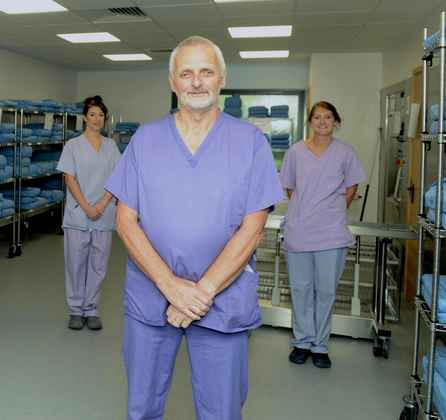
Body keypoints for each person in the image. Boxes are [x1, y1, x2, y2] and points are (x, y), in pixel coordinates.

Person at [105, 35, 283, 420]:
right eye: (186, 73)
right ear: (173, 82)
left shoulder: (250, 142)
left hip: (221, 301)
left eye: (206, 72)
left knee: (221, 411)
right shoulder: (145, 140)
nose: (196, 82)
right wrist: (170, 286)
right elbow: (125, 220)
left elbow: (253, 227)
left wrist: (201, 292)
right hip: (151, 299)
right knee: (142, 408)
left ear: (222, 79)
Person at [279, 101, 366, 369]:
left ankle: (320, 345)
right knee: (301, 290)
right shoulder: (295, 152)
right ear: (310, 121)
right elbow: (290, 188)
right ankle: (302, 342)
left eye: (328, 117)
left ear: (335, 121)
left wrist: (331, 210)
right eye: (317, 117)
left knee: (326, 291)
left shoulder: (345, 153)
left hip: (331, 234)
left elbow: (351, 187)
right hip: (300, 231)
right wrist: (305, 210)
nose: (322, 122)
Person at [57, 95, 121, 330]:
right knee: (75, 264)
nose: (96, 119)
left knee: (98, 265)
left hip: (104, 214)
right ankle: (75, 310)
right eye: (92, 114)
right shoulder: (73, 146)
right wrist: (86, 207)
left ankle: (91, 309)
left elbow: (117, 179)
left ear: (105, 119)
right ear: (85, 118)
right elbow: (69, 178)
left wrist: (102, 205)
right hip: (78, 214)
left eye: (101, 115)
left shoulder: (111, 146)